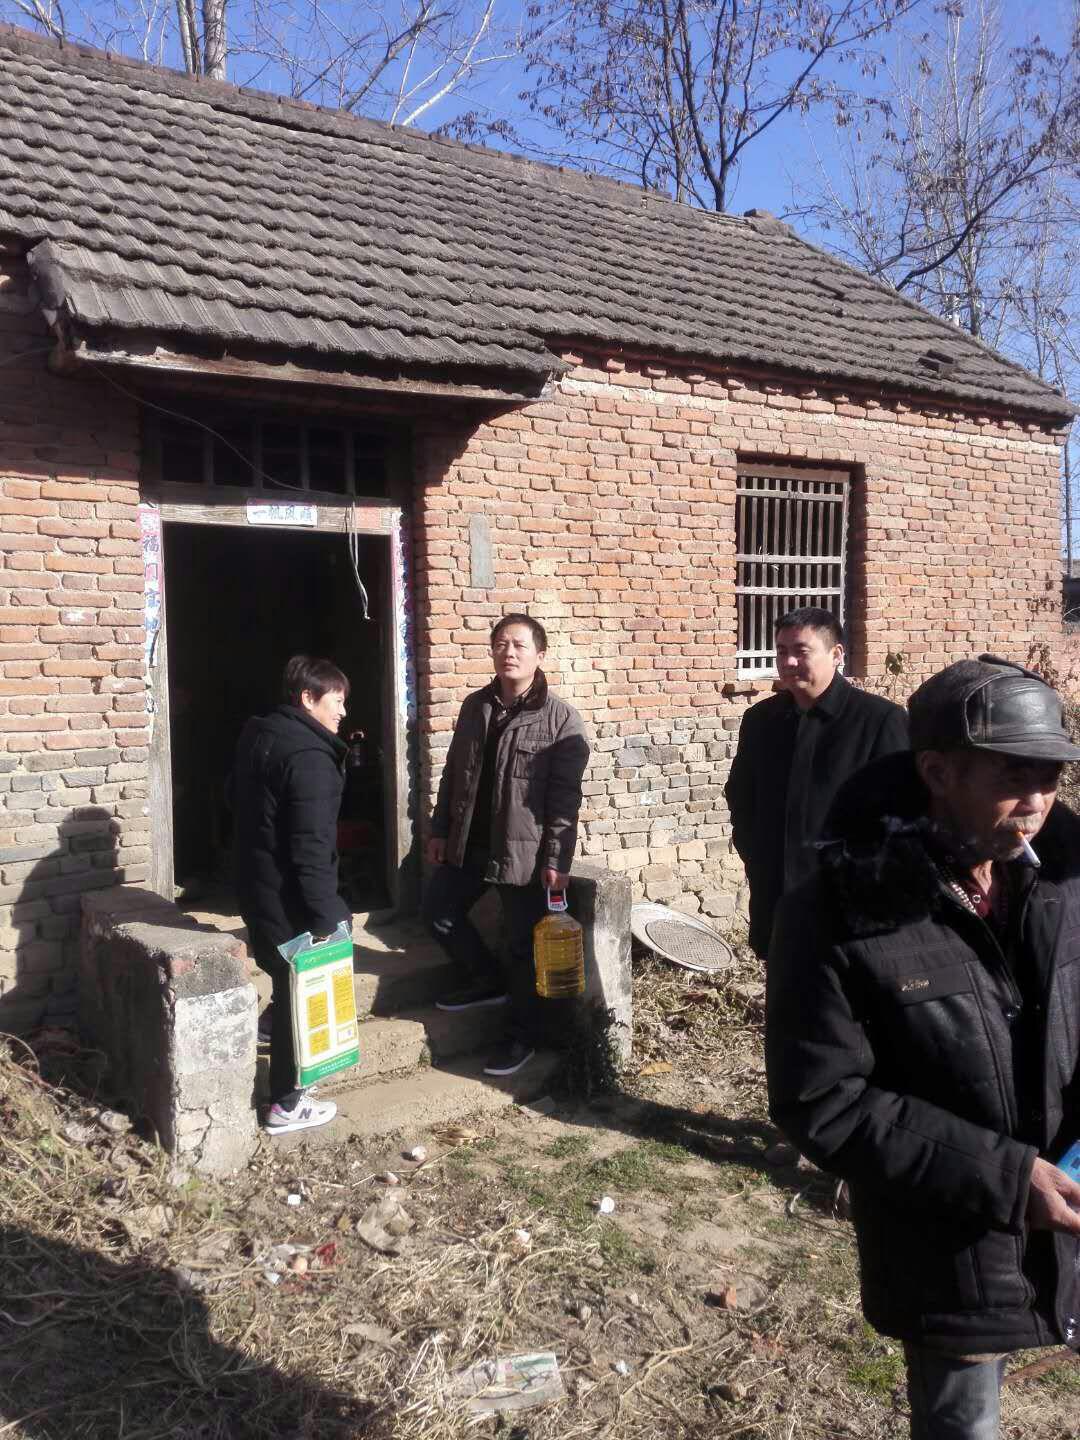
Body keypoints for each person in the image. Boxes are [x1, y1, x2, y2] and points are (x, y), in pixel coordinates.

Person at [766, 655, 1080, 1439]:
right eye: (1013, 774)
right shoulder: (841, 909)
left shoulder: (1070, 880)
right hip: (953, 1255)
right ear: (939, 772)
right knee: (961, 1425)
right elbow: (822, 1099)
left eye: (1051, 774)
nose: (1038, 799)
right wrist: (1008, 1179)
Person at [423, 614, 590, 1078]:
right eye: (500, 643)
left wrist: (556, 859)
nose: (508, 652)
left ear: (540, 655)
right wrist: (440, 830)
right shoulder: (475, 707)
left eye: (518, 645)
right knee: (437, 911)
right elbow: (453, 773)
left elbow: (564, 801)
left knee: (522, 946)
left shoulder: (560, 720)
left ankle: (522, 1036)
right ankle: (486, 979)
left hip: (524, 854)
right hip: (469, 844)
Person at [724, 606, 908, 956]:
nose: (788, 662)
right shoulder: (762, 720)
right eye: (782, 651)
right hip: (778, 902)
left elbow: (902, 816)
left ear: (836, 654)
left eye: (801, 651)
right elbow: (741, 797)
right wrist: (759, 856)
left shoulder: (878, 721)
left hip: (850, 913)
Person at [231, 655, 351, 1135]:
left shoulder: (260, 735)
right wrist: (328, 918)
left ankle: (271, 1026)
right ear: (308, 698)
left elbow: (233, 799)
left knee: (285, 982)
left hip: (258, 885)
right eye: (336, 701)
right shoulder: (309, 758)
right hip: (289, 898)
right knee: (302, 993)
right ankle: (286, 1103)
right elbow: (311, 848)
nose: (343, 712)